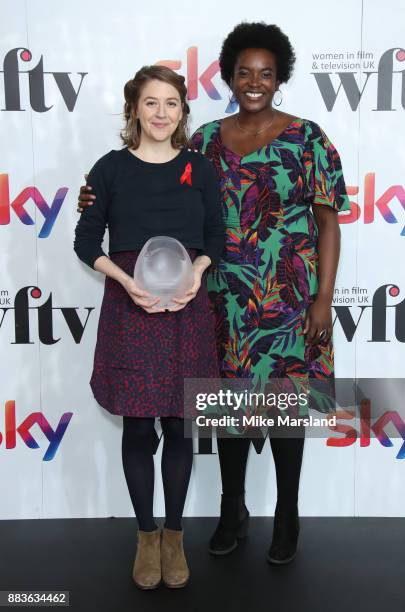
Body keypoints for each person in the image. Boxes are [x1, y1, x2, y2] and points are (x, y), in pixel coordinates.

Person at [77, 22, 350, 566]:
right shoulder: (204, 140)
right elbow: (158, 183)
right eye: (244, 72)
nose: (255, 82)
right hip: (214, 297)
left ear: (280, 78)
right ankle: (232, 512)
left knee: (284, 410)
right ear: (228, 76)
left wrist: (324, 299)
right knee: (223, 409)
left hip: (288, 299)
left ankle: (288, 517)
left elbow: (328, 224)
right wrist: (95, 192)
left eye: (266, 73)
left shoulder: (309, 137)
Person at [73, 65, 224, 589]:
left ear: (184, 112)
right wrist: (123, 281)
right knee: (139, 425)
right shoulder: (109, 169)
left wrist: (197, 276)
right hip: (130, 307)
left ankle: (175, 536)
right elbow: (86, 241)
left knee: (181, 423)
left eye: (172, 104)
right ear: (133, 108)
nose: (161, 113)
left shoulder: (200, 168)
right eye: (151, 103)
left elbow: (216, 238)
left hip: (187, 308)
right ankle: (145, 536)